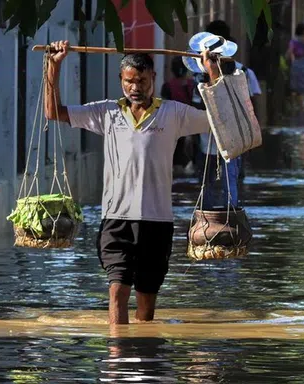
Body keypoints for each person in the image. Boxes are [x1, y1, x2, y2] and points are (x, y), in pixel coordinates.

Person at [44, 40, 227, 325]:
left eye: (141, 80)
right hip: (116, 220)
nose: (135, 87)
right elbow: (53, 112)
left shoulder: (174, 113)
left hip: (158, 221)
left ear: (152, 78)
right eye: (129, 81)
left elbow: (221, 120)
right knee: (117, 290)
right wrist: (53, 67)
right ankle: (117, 360)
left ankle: (144, 356)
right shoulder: (105, 113)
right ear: (121, 81)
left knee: (146, 303)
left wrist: (212, 72)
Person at [160, 56, 197, 174]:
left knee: (176, 153)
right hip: (193, 123)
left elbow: (164, 107)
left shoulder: (167, 86)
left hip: (174, 124)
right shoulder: (194, 85)